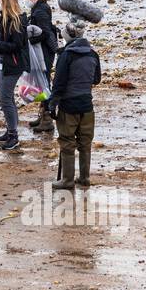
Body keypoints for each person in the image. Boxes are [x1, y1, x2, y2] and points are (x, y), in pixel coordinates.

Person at [47, 17, 101, 190]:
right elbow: (96, 79)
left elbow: (59, 83)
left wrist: (52, 104)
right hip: (87, 106)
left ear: (68, 38)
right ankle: (84, 178)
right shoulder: (93, 54)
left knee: (67, 142)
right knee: (85, 143)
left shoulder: (66, 55)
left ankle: (67, 180)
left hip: (68, 106)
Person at [0, 0, 30, 151]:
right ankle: (10, 131)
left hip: (12, 65)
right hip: (1, 62)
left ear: (5, 1)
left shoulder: (16, 20)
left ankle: (13, 135)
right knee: (7, 98)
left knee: (4, 99)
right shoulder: (2, 18)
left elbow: (17, 45)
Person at [22, 0, 59, 133]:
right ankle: (43, 114)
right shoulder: (41, 7)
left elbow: (43, 33)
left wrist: (28, 41)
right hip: (43, 51)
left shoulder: (40, 11)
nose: (24, 1)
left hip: (44, 53)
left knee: (43, 83)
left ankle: (47, 118)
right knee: (41, 82)